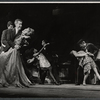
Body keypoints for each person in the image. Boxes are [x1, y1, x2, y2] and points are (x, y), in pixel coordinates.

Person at [0, 19, 34, 87]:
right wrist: (14, 46)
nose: (20, 26)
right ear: (15, 24)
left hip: (15, 51)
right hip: (10, 49)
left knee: (15, 66)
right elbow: (8, 40)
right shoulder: (10, 30)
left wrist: (23, 43)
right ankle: (5, 79)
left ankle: (14, 79)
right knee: (4, 63)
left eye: (21, 24)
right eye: (19, 24)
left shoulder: (20, 32)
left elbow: (21, 42)